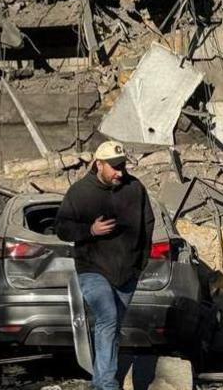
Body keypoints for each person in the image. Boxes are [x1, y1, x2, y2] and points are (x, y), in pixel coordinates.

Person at [56, 140, 155, 390]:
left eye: (122, 166)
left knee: (112, 328)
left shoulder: (135, 188)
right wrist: (90, 229)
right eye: (114, 167)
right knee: (108, 318)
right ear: (98, 164)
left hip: (127, 272)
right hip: (92, 268)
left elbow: (148, 226)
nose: (120, 172)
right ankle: (108, 384)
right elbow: (62, 228)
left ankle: (100, 382)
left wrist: (139, 264)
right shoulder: (79, 192)